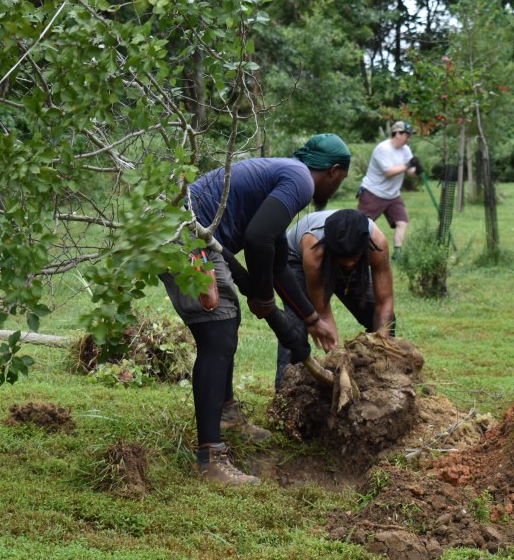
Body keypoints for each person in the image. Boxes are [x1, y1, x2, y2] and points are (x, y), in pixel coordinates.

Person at [160, 134, 351, 485]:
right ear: (335, 171)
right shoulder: (300, 182)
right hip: (186, 236)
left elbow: (275, 261)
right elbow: (257, 239)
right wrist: (263, 298)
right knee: (218, 332)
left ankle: (227, 416)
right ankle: (210, 459)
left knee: (226, 324)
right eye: (341, 180)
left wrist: (311, 319)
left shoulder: (280, 175)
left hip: (192, 232)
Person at [275, 209, 395, 390]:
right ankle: (286, 391)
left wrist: (381, 347)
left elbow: (384, 302)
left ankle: (383, 380)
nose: (348, 264)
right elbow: (321, 310)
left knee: (383, 319)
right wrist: (338, 362)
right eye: (344, 259)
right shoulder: (313, 247)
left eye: (352, 258)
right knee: (297, 324)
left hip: (340, 255)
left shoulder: (376, 242)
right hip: (297, 260)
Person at [357, 120, 422, 261]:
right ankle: (354, 254)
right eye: (407, 135)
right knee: (360, 226)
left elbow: (409, 170)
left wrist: (416, 170)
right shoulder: (383, 149)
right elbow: (389, 172)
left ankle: (397, 255)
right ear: (397, 134)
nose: (409, 138)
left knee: (402, 222)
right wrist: (408, 165)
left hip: (393, 195)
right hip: (373, 193)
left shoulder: (406, 149)